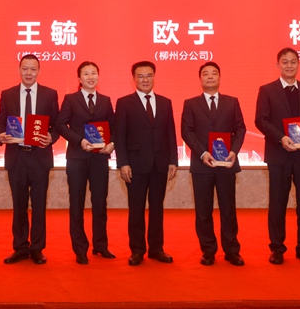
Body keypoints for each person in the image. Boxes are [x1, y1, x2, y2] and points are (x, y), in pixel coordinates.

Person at [255, 48, 300, 265]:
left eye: (293, 61)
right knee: (278, 203)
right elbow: (261, 120)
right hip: (279, 154)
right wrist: (281, 138)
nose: (289, 65)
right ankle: (277, 248)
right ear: (278, 65)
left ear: (299, 64)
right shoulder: (267, 90)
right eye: (285, 62)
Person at [0, 54, 59, 265]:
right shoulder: (8, 94)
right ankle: (20, 247)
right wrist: (1, 134)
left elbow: (57, 124)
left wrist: (51, 137)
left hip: (40, 156)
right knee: (19, 204)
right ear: (19, 70)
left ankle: (37, 248)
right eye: (25, 69)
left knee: (39, 205)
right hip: (17, 156)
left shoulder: (50, 94)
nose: (29, 73)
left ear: (39, 71)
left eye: (33, 69)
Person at [181, 61, 246, 266]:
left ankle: (232, 250)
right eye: (206, 74)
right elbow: (186, 131)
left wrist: (234, 151)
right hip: (202, 165)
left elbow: (240, 128)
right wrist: (202, 153)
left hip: (226, 163)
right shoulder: (190, 104)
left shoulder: (232, 102)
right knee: (203, 211)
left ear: (219, 78)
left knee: (228, 209)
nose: (210, 76)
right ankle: (208, 250)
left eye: (214, 73)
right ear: (200, 79)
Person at [115, 60, 178, 266]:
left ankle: (156, 248)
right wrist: (123, 163)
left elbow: (170, 133)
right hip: (135, 165)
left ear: (154, 77)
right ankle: (137, 250)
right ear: (134, 79)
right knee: (136, 209)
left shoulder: (165, 102)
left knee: (157, 208)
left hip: (160, 164)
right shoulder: (124, 103)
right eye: (140, 76)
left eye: (149, 75)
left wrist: (173, 160)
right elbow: (120, 135)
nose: (145, 80)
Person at [55, 61, 116, 265]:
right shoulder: (70, 99)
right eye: (86, 74)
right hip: (77, 158)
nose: (90, 77)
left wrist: (112, 143)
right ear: (79, 78)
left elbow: (114, 126)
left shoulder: (106, 100)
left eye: (93, 73)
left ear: (98, 76)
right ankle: (80, 249)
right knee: (77, 204)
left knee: (100, 203)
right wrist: (79, 140)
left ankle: (101, 245)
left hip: (100, 158)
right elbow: (60, 124)